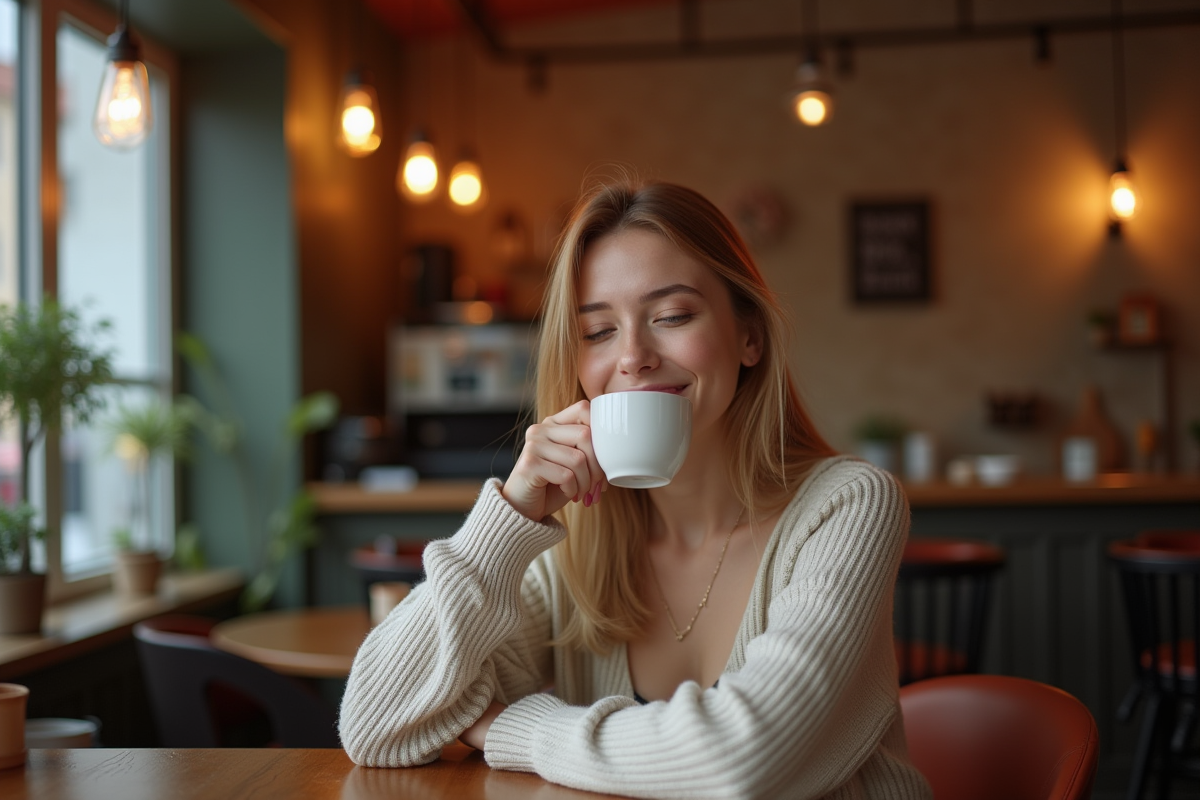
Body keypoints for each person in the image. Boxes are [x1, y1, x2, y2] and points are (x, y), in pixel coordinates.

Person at [339, 179, 932, 800]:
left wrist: (514, 728)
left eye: (672, 316)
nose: (633, 357)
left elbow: (742, 762)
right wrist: (509, 516)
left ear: (749, 336)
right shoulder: (575, 551)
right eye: (597, 332)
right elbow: (375, 727)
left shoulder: (848, 506)